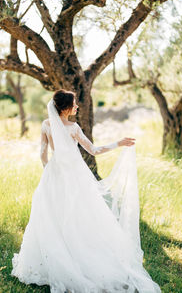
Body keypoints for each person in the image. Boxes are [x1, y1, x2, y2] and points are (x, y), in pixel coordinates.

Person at [11, 89, 161, 293]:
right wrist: (118, 143)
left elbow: (42, 153)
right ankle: (77, 257)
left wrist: (50, 171)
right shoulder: (73, 128)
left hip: (54, 175)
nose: (77, 106)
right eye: (74, 104)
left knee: (51, 217)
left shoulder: (46, 125)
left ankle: (52, 261)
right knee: (80, 216)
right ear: (65, 108)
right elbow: (94, 150)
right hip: (75, 176)